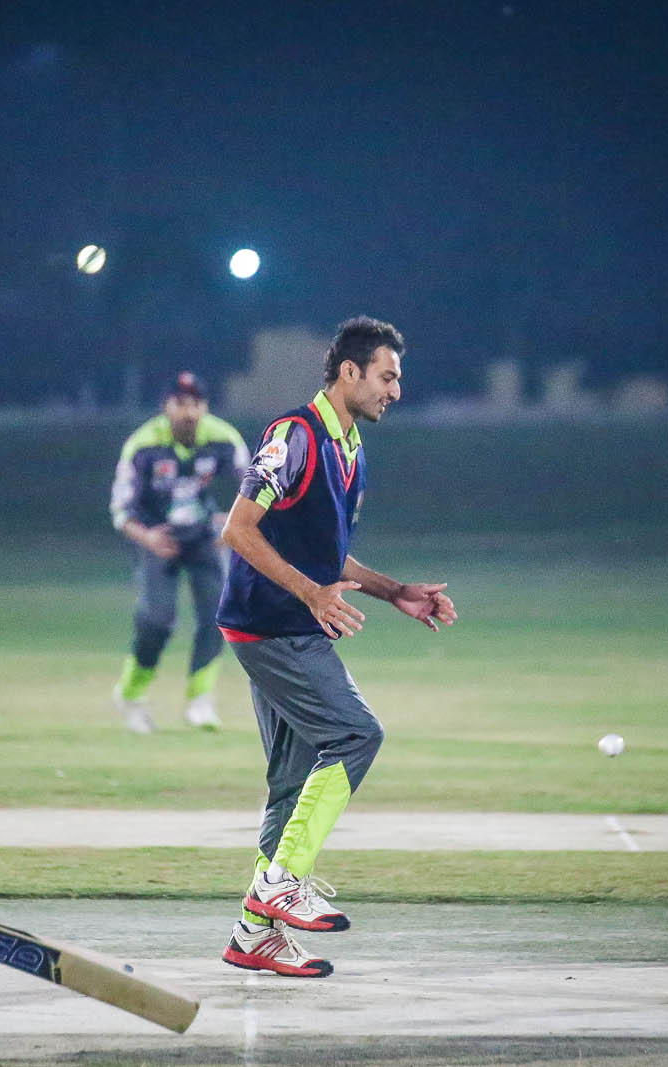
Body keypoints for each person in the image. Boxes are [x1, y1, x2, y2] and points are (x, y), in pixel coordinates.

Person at [214, 317, 457, 977]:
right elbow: (238, 529)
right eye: (387, 376)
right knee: (355, 734)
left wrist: (395, 590)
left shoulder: (349, 447)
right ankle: (281, 881)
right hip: (273, 626)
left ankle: (254, 935)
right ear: (349, 372)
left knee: (292, 785)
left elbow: (327, 554)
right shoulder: (294, 436)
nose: (395, 391)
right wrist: (311, 594)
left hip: (282, 625)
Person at [109, 371, 250, 733]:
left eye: (196, 404)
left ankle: (200, 700)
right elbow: (120, 510)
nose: (189, 412)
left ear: (205, 407)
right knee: (156, 621)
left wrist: (234, 523)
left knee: (220, 616)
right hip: (159, 537)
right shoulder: (143, 446)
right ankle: (131, 694)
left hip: (202, 537)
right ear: (166, 407)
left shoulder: (223, 439)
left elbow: (256, 489)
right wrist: (147, 537)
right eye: (180, 404)